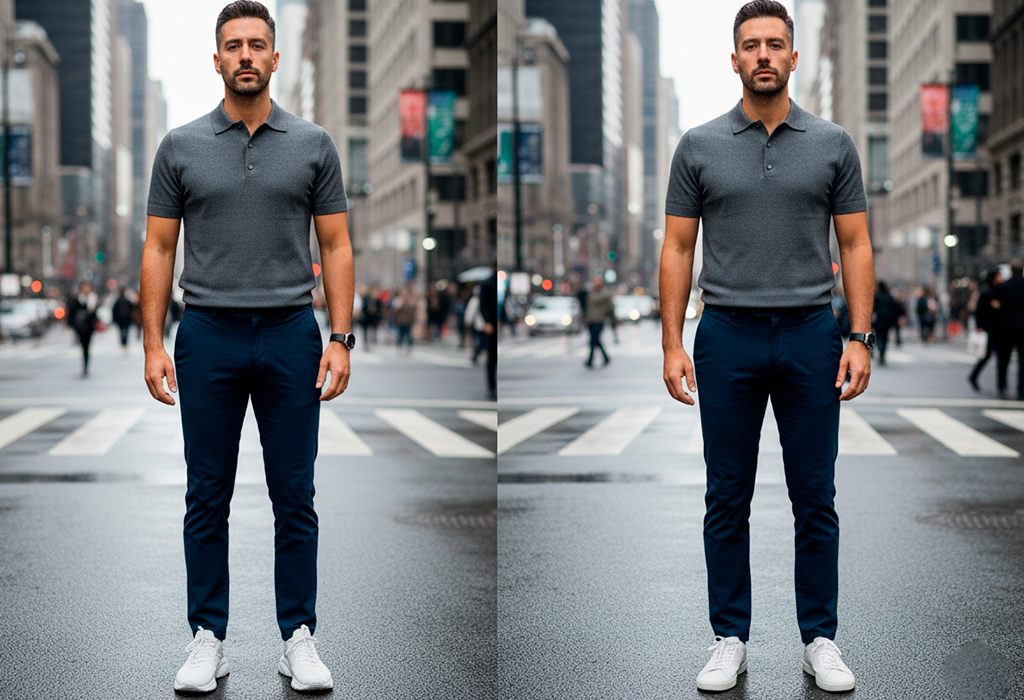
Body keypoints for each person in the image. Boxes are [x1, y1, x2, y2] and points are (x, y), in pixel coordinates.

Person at [140, 2, 353, 693]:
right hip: (207, 332)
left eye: (257, 44)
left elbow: (336, 244)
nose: (245, 56)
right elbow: (158, 248)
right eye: (233, 45)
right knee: (207, 494)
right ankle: (209, 637)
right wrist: (152, 342)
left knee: (296, 495)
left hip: (292, 331)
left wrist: (341, 338)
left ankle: (298, 638)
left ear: (275, 57)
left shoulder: (314, 144)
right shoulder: (179, 147)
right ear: (217, 59)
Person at [660, 2, 873, 693]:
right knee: (727, 495)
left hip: (812, 331)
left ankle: (820, 640)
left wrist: (860, 337)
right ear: (734, 60)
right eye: (751, 45)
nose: (763, 55)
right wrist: (672, 342)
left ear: (793, 57)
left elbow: (855, 243)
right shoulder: (698, 146)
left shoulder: (834, 144)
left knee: (816, 496)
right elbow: (677, 247)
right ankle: (730, 637)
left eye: (775, 44)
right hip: (727, 333)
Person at [968, 268, 1003, 392]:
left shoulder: (992, 289)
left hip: (992, 327)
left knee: (989, 354)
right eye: (999, 276)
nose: (1001, 278)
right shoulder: (987, 291)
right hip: (990, 328)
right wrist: (979, 327)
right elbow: (979, 310)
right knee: (988, 354)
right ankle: (974, 376)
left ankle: (974, 376)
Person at [994, 259, 1024, 400]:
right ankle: (1021, 389)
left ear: (1011, 271)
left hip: (1005, 327)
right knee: (1022, 361)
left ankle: (1002, 386)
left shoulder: (1003, 287)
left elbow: (995, 306)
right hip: (1023, 328)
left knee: (1003, 359)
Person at [66, 281, 99, 377]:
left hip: (89, 327)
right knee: (83, 346)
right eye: (85, 287)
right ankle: (84, 363)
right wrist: (72, 326)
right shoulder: (77, 300)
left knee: (87, 346)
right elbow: (71, 314)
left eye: (88, 287)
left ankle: (86, 364)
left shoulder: (93, 299)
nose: (86, 289)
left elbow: (95, 315)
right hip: (80, 327)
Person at [583, 275, 614, 367]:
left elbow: (610, 307)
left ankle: (591, 359)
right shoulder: (590, 293)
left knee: (594, 339)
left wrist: (614, 320)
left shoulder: (605, 293)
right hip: (590, 320)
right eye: (594, 282)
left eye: (597, 282)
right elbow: (587, 306)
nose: (595, 283)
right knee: (595, 339)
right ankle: (605, 357)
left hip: (600, 319)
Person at [872, 281, 901, 366]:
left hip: (879, 320)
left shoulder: (877, 296)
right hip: (887, 320)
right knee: (885, 337)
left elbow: (873, 308)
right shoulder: (889, 296)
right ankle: (883, 352)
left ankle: (880, 351)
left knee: (878, 336)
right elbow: (895, 308)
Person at [112, 287, 135, 353]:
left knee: (121, 331)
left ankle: (123, 342)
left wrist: (114, 319)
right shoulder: (127, 300)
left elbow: (114, 310)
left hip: (120, 319)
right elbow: (132, 308)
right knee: (126, 331)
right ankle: (125, 343)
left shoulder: (118, 301)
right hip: (127, 318)